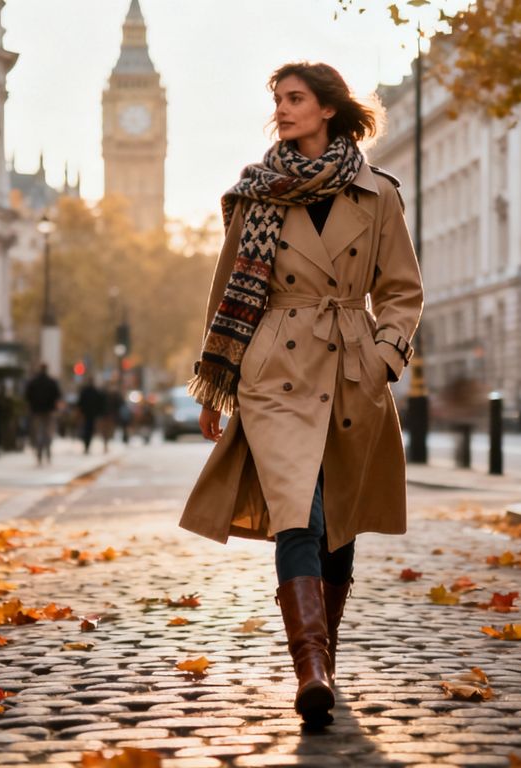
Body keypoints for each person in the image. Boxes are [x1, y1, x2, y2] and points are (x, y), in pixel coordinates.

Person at [180, 62, 422, 728]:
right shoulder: (257, 193)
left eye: (295, 99)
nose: (282, 110)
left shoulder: (378, 195)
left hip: (351, 366)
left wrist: (383, 357)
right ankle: (310, 667)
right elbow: (225, 291)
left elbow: (402, 290)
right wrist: (216, 383)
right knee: (298, 515)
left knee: (337, 523)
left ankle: (326, 662)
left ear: (326, 109)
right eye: (278, 100)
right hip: (272, 368)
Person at [23, 364, 61, 466]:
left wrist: (32, 405)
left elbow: (27, 396)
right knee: (47, 432)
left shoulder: (33, 382)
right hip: (48, 411)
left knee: (38, 432)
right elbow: (58, 395)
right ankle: (47, 450)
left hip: (36, 411)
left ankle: (39, 451)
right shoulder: (51, 382)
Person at [77, 378, 106, 455]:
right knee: (89, 430)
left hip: (86, 414)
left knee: (86, 429)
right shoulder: (95, 392)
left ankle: (86, 445)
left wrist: (80, 411)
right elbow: (100, 403)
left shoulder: (86, 391)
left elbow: (80, 402)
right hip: (92, 414)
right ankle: (87, 445)